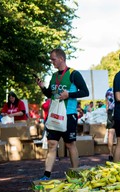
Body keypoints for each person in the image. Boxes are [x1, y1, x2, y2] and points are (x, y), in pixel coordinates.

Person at [36, 48, 89, 180]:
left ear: (61, 59)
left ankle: (76, 173)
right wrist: (43, 87)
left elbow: (85, 92)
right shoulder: (54, 76)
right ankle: (46, 175)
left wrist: (69, 94)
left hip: (68, 114)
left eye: (53, 59)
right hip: (54, 115)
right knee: (52, 144)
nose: (51, 62)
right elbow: (50, 94)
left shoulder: (73, 74)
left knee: (70, 144)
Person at [105, 87, 116, 161]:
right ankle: (118, 153)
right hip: (119, 110)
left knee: (110, 134)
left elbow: (106, 103)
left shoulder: (108, 91)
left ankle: (110, 153)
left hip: (110, 111)